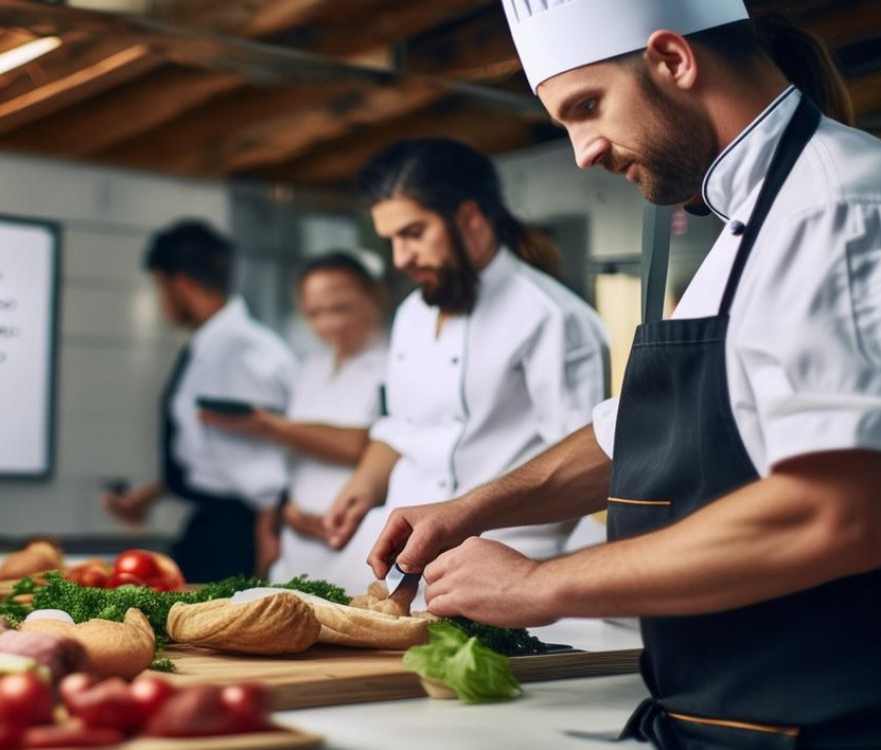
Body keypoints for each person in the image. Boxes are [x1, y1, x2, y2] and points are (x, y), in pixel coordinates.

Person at [369, 1, 881, 745]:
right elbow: (633, 435)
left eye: (586, 107)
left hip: (832, 724)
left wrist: (541, 586)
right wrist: (471, 509)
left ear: (674, 60)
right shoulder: (750, 226)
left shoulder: (836, 207)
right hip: (733, 714)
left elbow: (839, 513)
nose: (582, 152)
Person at [321, 138, 610, 571]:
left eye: (413, 234)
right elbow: (406, 427)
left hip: (508, 565)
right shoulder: (412, 314)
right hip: (403, 559)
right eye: (391, 240)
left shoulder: (553, 318)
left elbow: (585, 467)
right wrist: (364, 482)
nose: (400, 258)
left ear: (469, 218)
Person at [102, 220, 296, 582]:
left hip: (239, 533)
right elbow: (211, 447)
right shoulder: (213, 345)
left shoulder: (239, 352)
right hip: (216, 524)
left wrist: (266, 543)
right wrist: (151, 495)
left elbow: (262, 465)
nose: (161, 302)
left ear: (181, 285)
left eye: (160, 288)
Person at [199, 252, 389, 591]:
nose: (329, 324)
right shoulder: (311, 369)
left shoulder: (395, 364)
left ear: (375, 298)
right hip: (298, 537)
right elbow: (295, 457)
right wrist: (278, 515)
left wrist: (267, 425)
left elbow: (367, 445)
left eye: (341, 308)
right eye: (315, 313)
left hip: (360, 536)